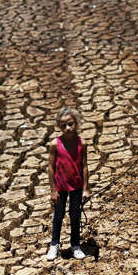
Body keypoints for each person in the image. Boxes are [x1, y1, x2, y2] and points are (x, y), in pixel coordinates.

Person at [46, 107, 91, 260]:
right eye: (63, 125)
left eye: (70, 124)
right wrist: (53, 190)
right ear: (59, 126)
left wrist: (86, 188)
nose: (68, 128)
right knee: (58, 216)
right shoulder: (55, 144)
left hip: (77, 187)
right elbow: (51, 168)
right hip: (60, 188)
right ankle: (54, 245)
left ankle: (75, 245)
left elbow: (84, 166)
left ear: (76, 123)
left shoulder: (82, 143)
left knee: (75, 215)